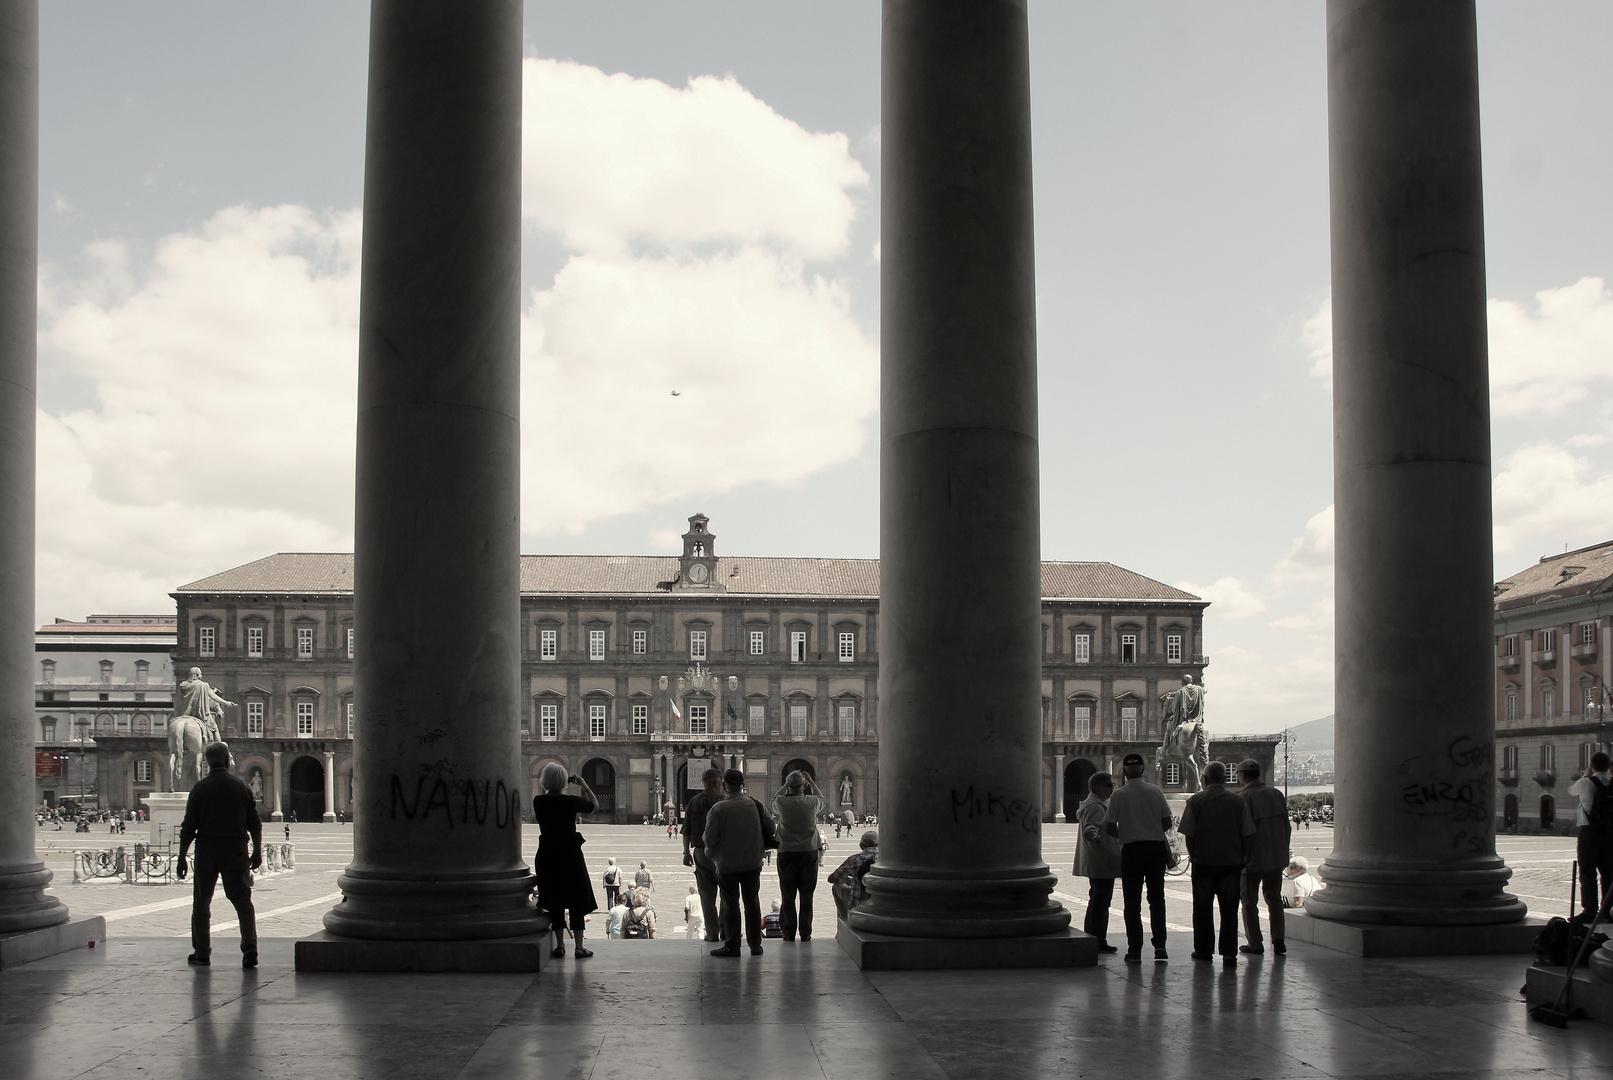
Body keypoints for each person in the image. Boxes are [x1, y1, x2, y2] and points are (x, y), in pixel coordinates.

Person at [175, 742, 261, 968]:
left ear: (207, 762)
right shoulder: (242, 787)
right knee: (243, 901)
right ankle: (249, 947)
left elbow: (188, 827)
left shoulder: (200, 789)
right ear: (226, 760)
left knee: (201, 904)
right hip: (235, 850)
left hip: (207, 851)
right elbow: (255, 824)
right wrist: (258, 851)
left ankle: (202, 952)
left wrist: (182, 856)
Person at [1179, 762, 1255, 968]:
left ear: (1204, 779)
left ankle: (1204, 950)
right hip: (1231, 863)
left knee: (1202, 909)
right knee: (1229, 909)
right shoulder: (1238, 801)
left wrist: (1194, 856)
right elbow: (1247, 833)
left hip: (1203, 863)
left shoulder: (1195, 801)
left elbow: (1188, 833)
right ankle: (1229, 953)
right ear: (1223, 779)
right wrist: (1243, 857)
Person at [1106, 753, 1174, 965]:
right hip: (1155, 850)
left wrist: (1126, 834)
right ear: (1143, 770)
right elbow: (1167, 823)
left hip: (1132, 851)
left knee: (1132, 901)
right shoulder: (1155, 791)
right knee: (1157, 899)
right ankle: (1160, 946)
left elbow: (1109, 826)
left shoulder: (1119, 795)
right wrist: (1150, 830)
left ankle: (1135, 950)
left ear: (1124, 771)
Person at [702, 768, 777, 956]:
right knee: (752, 903)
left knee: (730, 904)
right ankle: (755, 945)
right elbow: (771, 827)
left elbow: (709, 838)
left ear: (725, 786)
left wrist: (711, 854)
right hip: (752, 862)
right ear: (743, 785)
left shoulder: (718, 809)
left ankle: (733, 945)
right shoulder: (756, 805)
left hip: (727, 865)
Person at [531, 761, 600, 960]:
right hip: (570, 853)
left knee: (555, 898)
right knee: (576, 898)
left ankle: (560, 945)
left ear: (544, 780)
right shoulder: (571, 801)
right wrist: (584, 785)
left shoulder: (538, 801)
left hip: (548, 853)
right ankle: (579, 947)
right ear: (564, 781)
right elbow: (595, 806)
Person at [1237, 758, 1292, 956]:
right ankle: (1278, 940)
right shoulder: (1276, 794)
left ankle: (1255, 943)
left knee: (1249, 902)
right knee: (1274, 899)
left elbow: (1242, 832)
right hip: (1276, 857)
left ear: (1242, 775)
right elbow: (1287, 826)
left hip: (1252, 859)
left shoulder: (1243, 797)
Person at [773, 770, 826, 941]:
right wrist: (811, 781)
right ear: (804, 785)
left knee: (787, 895)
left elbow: (774, 798)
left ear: (788, 785)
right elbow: (822, 799)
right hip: (808, 853)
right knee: (807, 895)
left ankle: (788, 933)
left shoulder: (781, 803)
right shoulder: (812, 802)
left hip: (786, 853)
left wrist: (785, 786)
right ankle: (805, 933)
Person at [1074, 771, 1121, 954]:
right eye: (1109, 785)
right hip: (1102, 861)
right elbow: (1090, 827)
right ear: (1098, 787)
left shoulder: (1095, 804)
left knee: (1096, 900)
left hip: (1097, 861)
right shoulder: (1096, 806)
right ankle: (1098, 940)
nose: (1112, 788)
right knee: (1101, 902)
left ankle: (1092, 937)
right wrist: (1095, 836)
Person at [681, 768, 725, 942]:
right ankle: (726, 930)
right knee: (727, 894)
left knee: (707, 895)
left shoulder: (694, 802)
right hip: (724, 853)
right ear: (717, 783)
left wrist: (686, 853)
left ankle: (712, 932)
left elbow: (686, 831)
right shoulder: (725, 801)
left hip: (701, 852)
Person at [1572, 751, 1613, 919]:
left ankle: (1590, 910)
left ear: (1592, 765)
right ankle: (1607, 911)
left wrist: (1585, 775)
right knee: (1609, 873)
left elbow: (1571, 790)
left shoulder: (1585, 783)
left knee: (1587, 872)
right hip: (1610, 834)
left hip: (1589, 833)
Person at [828, 830, 879, 921]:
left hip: (858, 904)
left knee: (837, 886)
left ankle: (844, 921)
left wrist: (848, 880)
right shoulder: (887, 861)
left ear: (861, 845)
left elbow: (832, 878)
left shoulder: (854, 859)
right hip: (881, 905)